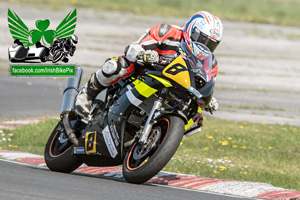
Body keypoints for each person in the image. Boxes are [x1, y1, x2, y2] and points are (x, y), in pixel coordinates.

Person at [75, 11, 223, 125]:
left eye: (211, 44)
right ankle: (87, 95)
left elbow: (203, 85)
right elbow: (132, 49)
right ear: (192, 29)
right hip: (144, 75)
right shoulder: (167, 31)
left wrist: (209, 100)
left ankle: (158, 139)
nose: (205, 46)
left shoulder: (210, 63)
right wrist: (144, 55)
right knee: (116, 65)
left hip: (174, 90)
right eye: (203, 40)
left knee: (197, 119)